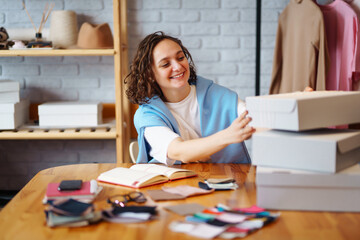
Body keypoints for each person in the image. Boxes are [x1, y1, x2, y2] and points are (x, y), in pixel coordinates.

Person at [125, 31, 256, 165]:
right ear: (150, 74)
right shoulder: (147, 115)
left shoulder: (215, 94)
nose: (177, 67)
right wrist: (227, 136)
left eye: (180, 58)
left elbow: (255, 118)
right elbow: (178, 151)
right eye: (165, 64)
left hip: (228, 180)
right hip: (173, 183)